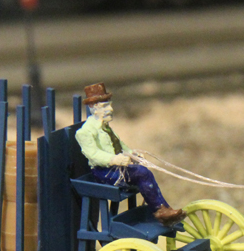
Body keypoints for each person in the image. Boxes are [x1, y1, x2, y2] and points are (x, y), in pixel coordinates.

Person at [75, 82, 186, 225]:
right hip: (104, 172)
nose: (110, 109)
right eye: (105, 106)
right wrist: (114, 159)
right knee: (142, 173)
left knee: (143, 171)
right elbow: (93, 155)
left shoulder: (106, 128)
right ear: (93, 107)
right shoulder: (85, 132)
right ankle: (160, 210)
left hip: (115, 168)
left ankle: (163, 208)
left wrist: (133, 155)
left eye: (109, 105)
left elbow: (120, 145)